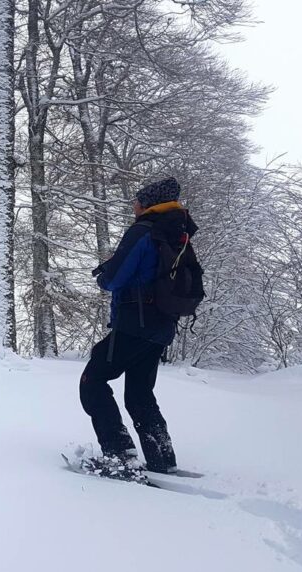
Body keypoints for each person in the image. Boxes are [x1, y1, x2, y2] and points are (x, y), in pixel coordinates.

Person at [81, 177, 197, 474]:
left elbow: (114, 279)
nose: (133, 205)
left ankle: (120, 454)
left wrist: (104, 272)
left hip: (135, 323)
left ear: (147, 204)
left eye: (136, 200)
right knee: (140, 393)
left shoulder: (143, 231)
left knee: (93, 379)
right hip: (162, 326)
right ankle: (163, 459)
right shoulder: (177, 232)